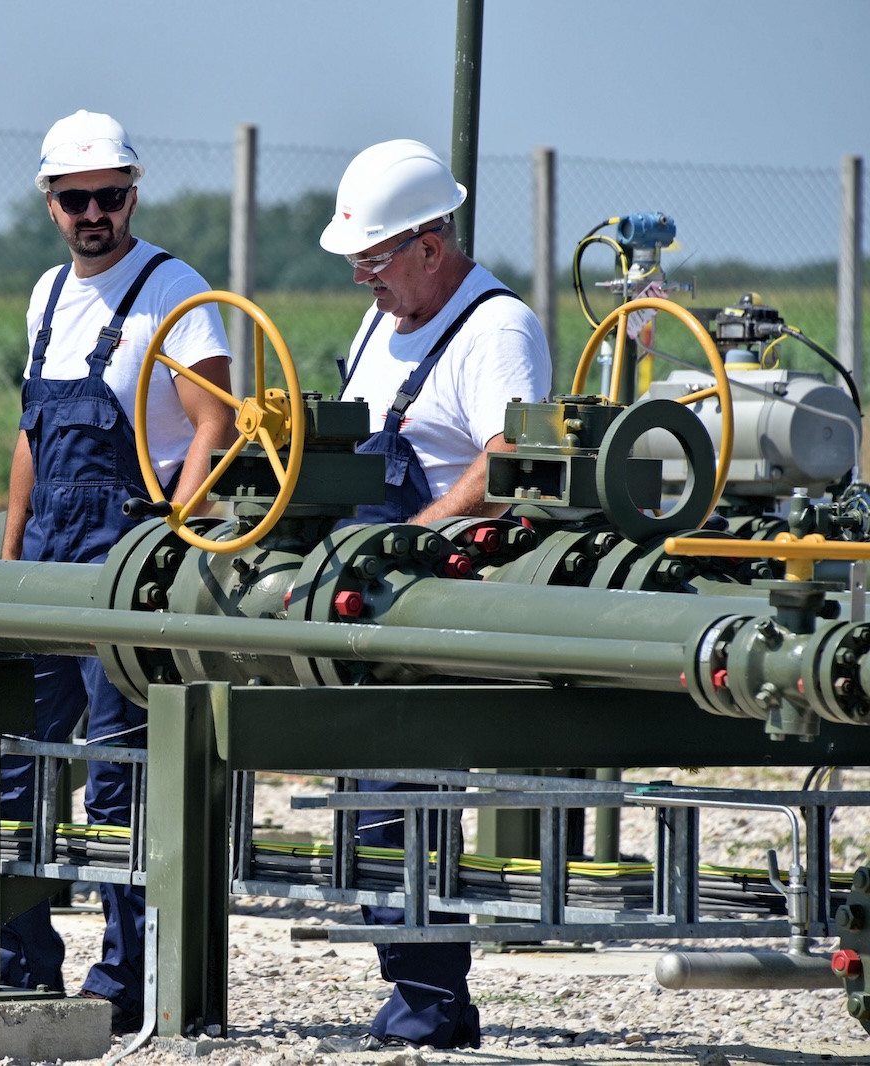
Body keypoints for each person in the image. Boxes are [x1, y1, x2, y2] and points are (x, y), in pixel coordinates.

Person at [0, 109, 237, 1033]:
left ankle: (126, 980)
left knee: (119, 776)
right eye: (76, 199)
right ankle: (21, 965)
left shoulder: (171, 289)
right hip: (47, 559)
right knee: (18, 764)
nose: (93, 212)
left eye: (110, 195)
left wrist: (172, 533)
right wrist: (11, 552)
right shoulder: (46, 298)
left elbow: (214, 420)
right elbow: (31, 436)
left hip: (125, 557)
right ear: (51, 204)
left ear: (133, 194)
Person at [319, 138, 552, 1051]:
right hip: (362, 592)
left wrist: (413, 539)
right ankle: (411, 989)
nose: (361, 281)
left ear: (430, 241)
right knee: (364, 793)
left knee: (404, 794)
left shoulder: (495, 327)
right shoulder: (381, 322)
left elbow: (507, 461)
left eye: (372, 260)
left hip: (430, 597)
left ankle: (430, 1001)